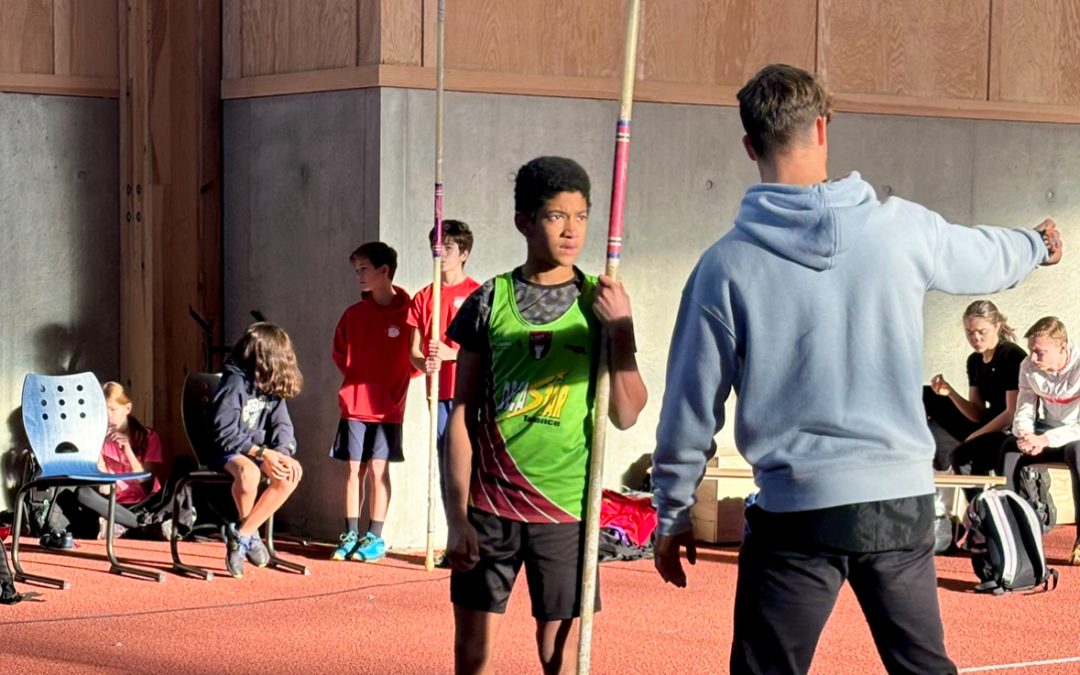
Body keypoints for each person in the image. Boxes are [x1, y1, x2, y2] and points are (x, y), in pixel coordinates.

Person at [650, 63, 1062, 675]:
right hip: (897, 499)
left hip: (796, 510)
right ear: (822, 128)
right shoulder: (904, 229)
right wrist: (1036, 245)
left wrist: (673, 509)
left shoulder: (724, 266)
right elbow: (987, 255)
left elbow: (690, 404)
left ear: (749, 146)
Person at [444, 156, 648, 675]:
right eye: (557, 216)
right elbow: (462, 413)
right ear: (525, 222)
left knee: (561, 657)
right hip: (491, 506)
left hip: (566, 510)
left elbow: (627, 413)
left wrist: (621, 330)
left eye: (581, 216)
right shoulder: (489, 301)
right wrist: (456, 517)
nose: (571, 229)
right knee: (472, 655)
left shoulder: (600, 302)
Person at [329, 242, 416, 563]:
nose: (359, 276)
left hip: (388, 409)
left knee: (379, 469)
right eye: (356, 270)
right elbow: (341, 354)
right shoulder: (353, 315)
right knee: (354, 469)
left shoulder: (410, 314)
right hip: (354, 405)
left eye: (364, 269)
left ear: (384, 270)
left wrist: (393, 386)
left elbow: (416, 360)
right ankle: (350, 534)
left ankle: (374, 537)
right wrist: (359, 380)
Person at [209, 322, 304, 579]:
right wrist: (261, 453)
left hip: (259, 451)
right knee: (249, 473)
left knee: (289, 475)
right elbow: (224, 433)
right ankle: (249, 537)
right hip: (227, 450)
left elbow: (283, 427)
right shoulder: (234, 382)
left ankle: (243, 534)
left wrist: (282, 454)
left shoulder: (272, 385)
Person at [406, 220, 481, 519]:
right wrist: (424, 363)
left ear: (464, 253)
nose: (441, 253)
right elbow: (413, 352)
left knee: (472, 460)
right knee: (446, 461)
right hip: (439, 393)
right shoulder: (424, 297)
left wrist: (453, 354)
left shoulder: (478, 295)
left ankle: (477, 529)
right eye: (436, 247)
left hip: (471, 392)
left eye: (448, 247)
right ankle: (455, 530)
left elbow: (488, 350)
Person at [41, 382, 167, 547]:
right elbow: (104, 489)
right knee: (81, 493)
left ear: (127, 408)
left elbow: (146, 482)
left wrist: (128, 452)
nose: (108, 416)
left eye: (113, 409)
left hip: (144, 503)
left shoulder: (148, 436)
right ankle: (142, 527)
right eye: (102, 410)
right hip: (112, 504)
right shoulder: (98, 439)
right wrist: (97, 447)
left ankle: (127, 527)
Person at [1000, 316, 1080, 565]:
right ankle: (1012, 531)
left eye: (1040, 352)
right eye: (1031, 350)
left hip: (1074, 435)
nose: (1033, 357)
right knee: (1010, 448)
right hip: (1046, 432)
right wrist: (1025, 435)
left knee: (1079, 453)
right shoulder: (1028, 366)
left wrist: (1044, 439)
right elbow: (1024, 407)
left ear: (1062, 348)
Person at [923, 300, 1026, 479]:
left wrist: (974, 437)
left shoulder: (1010, 355)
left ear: (997, 326)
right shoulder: (974, 360)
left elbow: (1011, 413)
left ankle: (954, 466)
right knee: (927, 395)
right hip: (985, 422)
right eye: (969, 333)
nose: (975, 338)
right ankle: (931, 461)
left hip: (1007, 428)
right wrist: (950, 393)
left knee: (965, 450)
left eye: (981, 332)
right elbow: (976, 413)